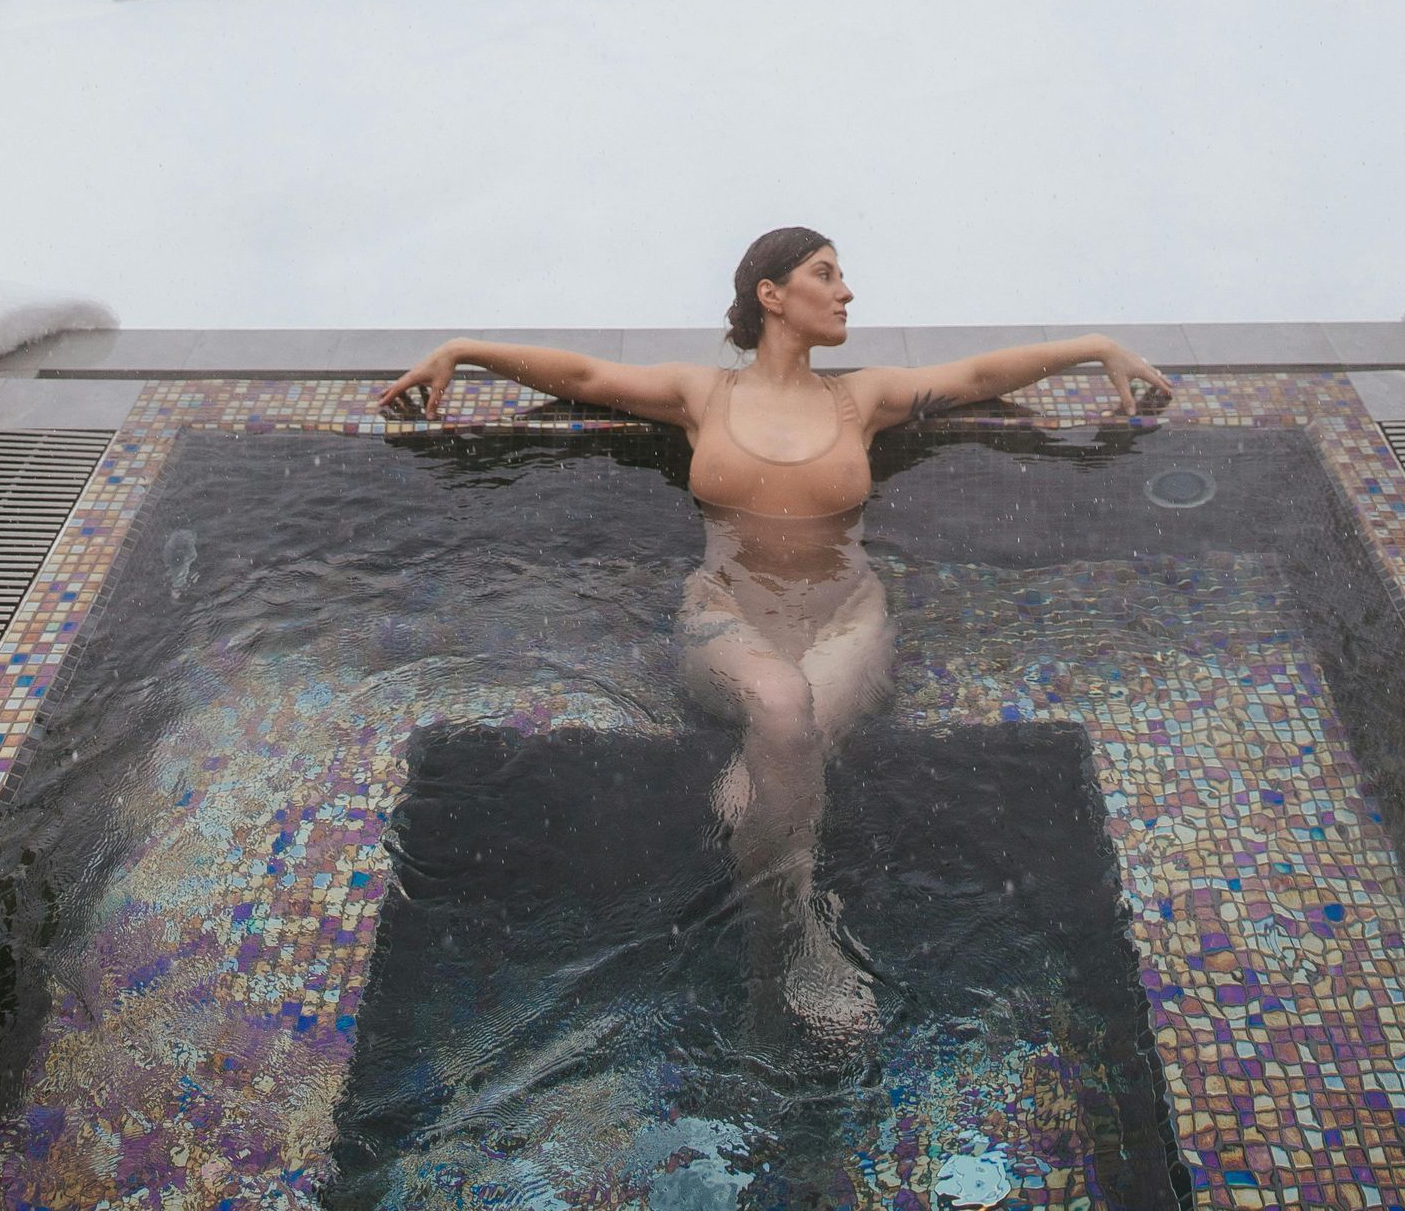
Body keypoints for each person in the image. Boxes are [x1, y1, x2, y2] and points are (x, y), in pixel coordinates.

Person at [374, 226, 1173, 1041]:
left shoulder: (862, 398)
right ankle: (790, 946)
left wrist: (1093, 345)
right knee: (783, 706)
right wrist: (464, 348)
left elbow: (972, 377)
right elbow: (581, 376)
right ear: (772, 294)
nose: (846, 292)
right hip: (728, 612)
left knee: (780, 745)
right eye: (826, 274)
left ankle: (767, 851)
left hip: (845, 614)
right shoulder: (702, 395)